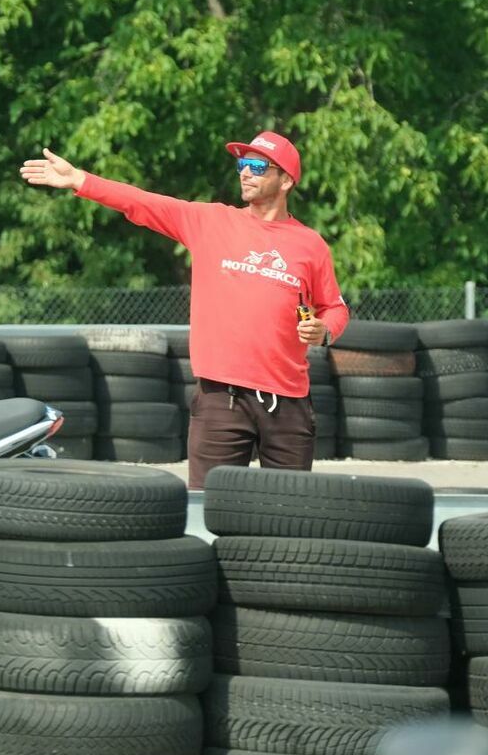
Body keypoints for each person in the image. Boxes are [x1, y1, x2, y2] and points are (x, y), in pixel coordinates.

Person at [19, 131, 348, 488]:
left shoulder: (310, 245)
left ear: (286, 180)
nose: (245, 173)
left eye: (257, 165)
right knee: (209, 509)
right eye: (242, 164)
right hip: (222, 400)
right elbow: (142, 203)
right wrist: (80, 180)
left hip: (288, 403)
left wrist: (324, 330)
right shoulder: (211, 221)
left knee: (290, 515)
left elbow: (335, 308)